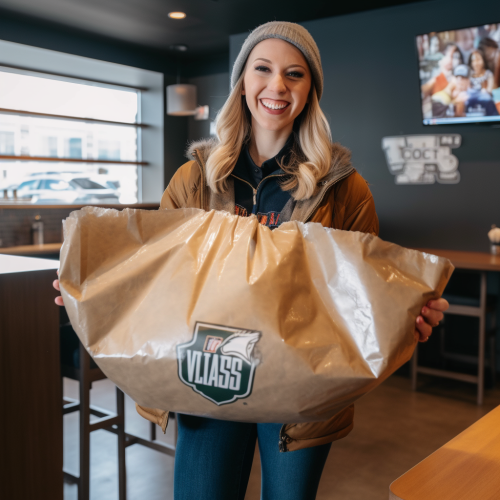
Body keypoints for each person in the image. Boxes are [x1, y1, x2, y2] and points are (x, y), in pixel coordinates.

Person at [53, 21, 449, 500]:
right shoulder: (194, 179)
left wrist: (407, 314)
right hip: (207, 371)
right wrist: (94, 287)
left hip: (302, 382)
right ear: (243, 81)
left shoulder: (344, 187)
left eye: (295, 74)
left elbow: (363, 293)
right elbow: (154, 274)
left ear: (310, 90)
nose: (277, 86)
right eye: (262, 69)